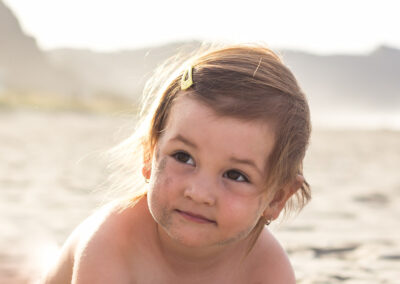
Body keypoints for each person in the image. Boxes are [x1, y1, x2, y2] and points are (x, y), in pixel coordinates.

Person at [41, 44, 311, 284]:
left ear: (276, 198)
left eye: (235, 175)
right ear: (150, 155)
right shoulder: (111, 243)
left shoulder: (266, 269)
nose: (198, 192)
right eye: (184, 157)